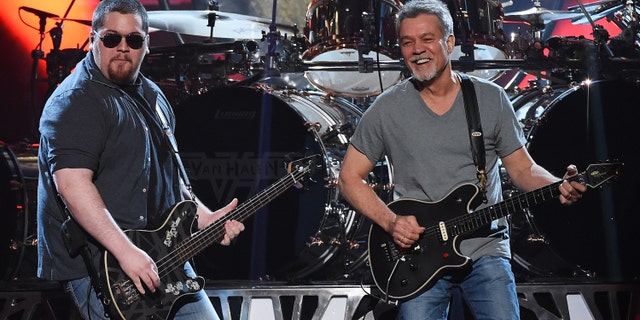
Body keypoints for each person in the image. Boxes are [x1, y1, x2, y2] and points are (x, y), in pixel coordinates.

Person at [337, 0, 587, 319]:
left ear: (450, 42)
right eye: (407, 42)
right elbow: (349, 178)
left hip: (486, 249)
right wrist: (391, 221)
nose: (417, 50)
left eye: (427, 39)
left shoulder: (490, 98)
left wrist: (557, 186)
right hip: (418, 254)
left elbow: (522, 169)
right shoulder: (387, 109)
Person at [36, 0, 245, 319]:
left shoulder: (154, 96)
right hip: (104, 266)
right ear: (93, 40)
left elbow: (170, 176)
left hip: (163, 254)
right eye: (111, 38)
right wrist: (126, 252)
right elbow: (72, 185)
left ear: (147, 44)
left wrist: (203, 216)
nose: (122, 47)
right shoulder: (76, 102)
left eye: (133, 40)